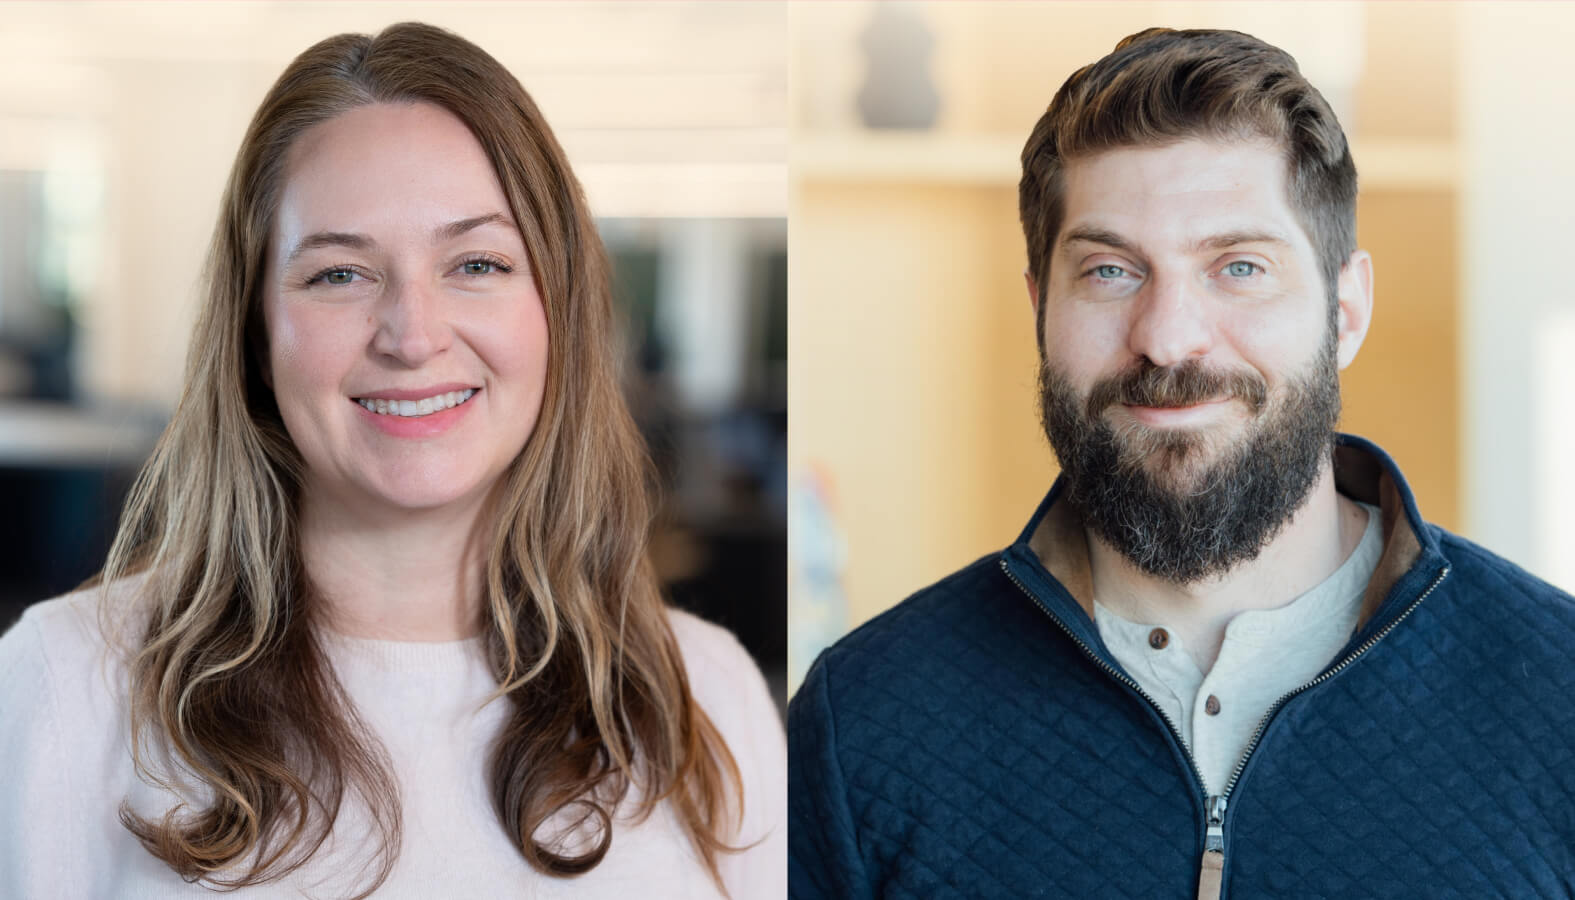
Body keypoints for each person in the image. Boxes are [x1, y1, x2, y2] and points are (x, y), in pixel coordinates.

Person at [0, 22, 784, 899]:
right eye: (339, 274)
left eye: (476, 263)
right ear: (257, 334)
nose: (412, 335)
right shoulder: (65, 690)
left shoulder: (708, 696)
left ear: (559, 310)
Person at [788, 27, 1575, 900]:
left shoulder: (1559, 693)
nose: (1166, 337)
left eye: (1238, 266)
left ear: (1344, 311)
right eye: (1110, 271)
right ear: (1040, 307)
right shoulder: (858, 723)